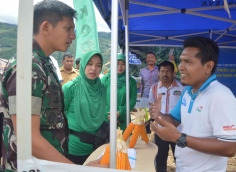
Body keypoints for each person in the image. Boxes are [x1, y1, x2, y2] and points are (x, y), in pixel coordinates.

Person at [0, 1, 106, 171]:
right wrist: (77, 169)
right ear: (46, 27)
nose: (73, 36)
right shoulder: (28, 65)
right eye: (68, 28)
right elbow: (28, 138)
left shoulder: (44, 64)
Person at [150, 36, 236, 172]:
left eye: (189, 62)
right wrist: (158, 115)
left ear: (208, 66)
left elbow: (229, 147)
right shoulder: (187, 91)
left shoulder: (220, 96)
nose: (181, 67)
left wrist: (179, 138)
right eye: (181, 61)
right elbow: (174, 120)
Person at [63, 50, 108, 165]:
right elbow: (60, 116)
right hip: (75, 147)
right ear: (83, 65)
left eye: (98, 65)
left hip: (98, 144)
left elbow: (102, 112)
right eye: (89, 64)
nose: (93, 68)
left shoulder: (102, 88)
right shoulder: (70, 88)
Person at [148, 61, 184, 172]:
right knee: (160, 160)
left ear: (173, 73)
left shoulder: (182, 88)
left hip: (178, 131)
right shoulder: (154, 89)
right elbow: (151, 108)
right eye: (162, 71)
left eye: (168, 71)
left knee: (180, 160)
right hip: (160, 131)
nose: (165, 74)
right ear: (158, 73)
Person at [101, 53, 137, 131]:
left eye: (123, 64)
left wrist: (120, 112)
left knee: (124, 142)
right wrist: (111, 116)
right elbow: (100, 99)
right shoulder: (105, 79)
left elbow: (132, 100)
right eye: (117, 64)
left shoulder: (131, 82)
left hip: (124, 120)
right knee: (108, 142)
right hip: (107, 120)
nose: (120, 67)